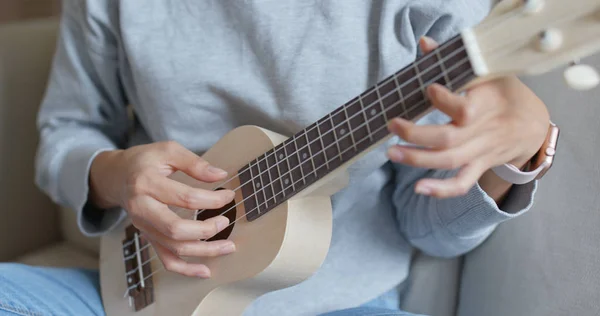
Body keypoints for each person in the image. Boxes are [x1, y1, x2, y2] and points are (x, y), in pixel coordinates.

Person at [0, 1, 551, 315]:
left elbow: (427, 226)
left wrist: (517, 156)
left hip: (340, 304)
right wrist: (114, 176)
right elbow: (66, 130)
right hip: (138, 289)